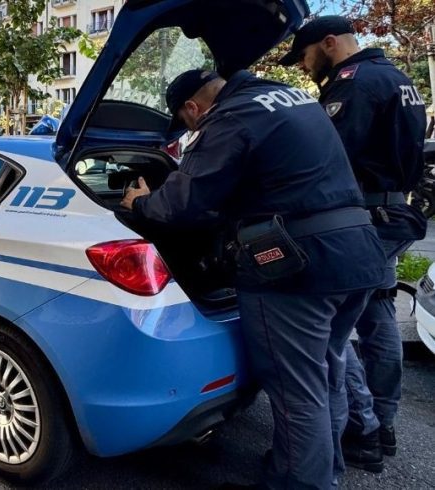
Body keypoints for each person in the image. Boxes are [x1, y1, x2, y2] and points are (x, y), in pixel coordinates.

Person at [121, 69, 386, 488]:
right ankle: (320, 466)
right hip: (358, 253)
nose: (193, 128)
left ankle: (300, 481)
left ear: (193, 108)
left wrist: (140, 203)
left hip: (298, 269)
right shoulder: (292, 99)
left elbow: (184, 203)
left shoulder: (231, 117)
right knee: (327, 371)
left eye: (188, 123)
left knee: (295, 387)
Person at [279, 16, 428, 472]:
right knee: (377, 316)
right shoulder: (398, 77)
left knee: (333, 331)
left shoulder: (354, 84)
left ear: (328, 44)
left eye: (304, 57)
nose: (303, 69)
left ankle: (361, 428)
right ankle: (382, 424)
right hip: (394, 213)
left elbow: (325, 160)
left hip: (361, 221)